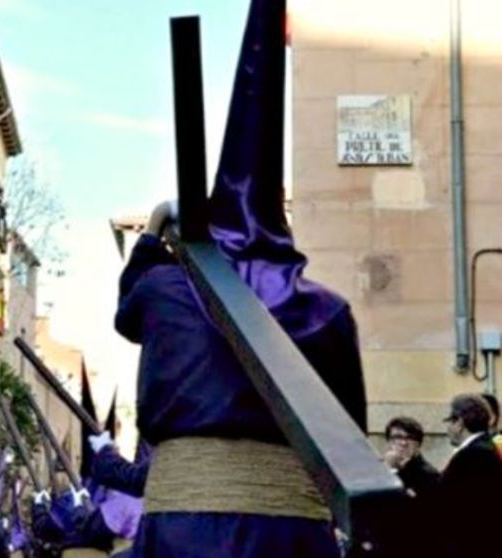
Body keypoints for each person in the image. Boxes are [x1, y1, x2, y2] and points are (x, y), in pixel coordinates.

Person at [116, 1, 367, 555]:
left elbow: (124, 315)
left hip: (186, 532)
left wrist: (155, 230)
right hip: (292, 535)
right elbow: (350, 435)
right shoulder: (329, 311)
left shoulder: (163, 289)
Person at [435, 393, 502, 556]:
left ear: (459, 422)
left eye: (449, 421)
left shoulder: (472, 454)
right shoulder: (483, 448)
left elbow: (449, 502)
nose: (448, 428)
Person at [380, 417, 439, 556]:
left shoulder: (428, 474)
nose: (403, 443)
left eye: (410, 438)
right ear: (389, 442)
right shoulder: (382, 470)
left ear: (418, 443)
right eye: (397, 437)